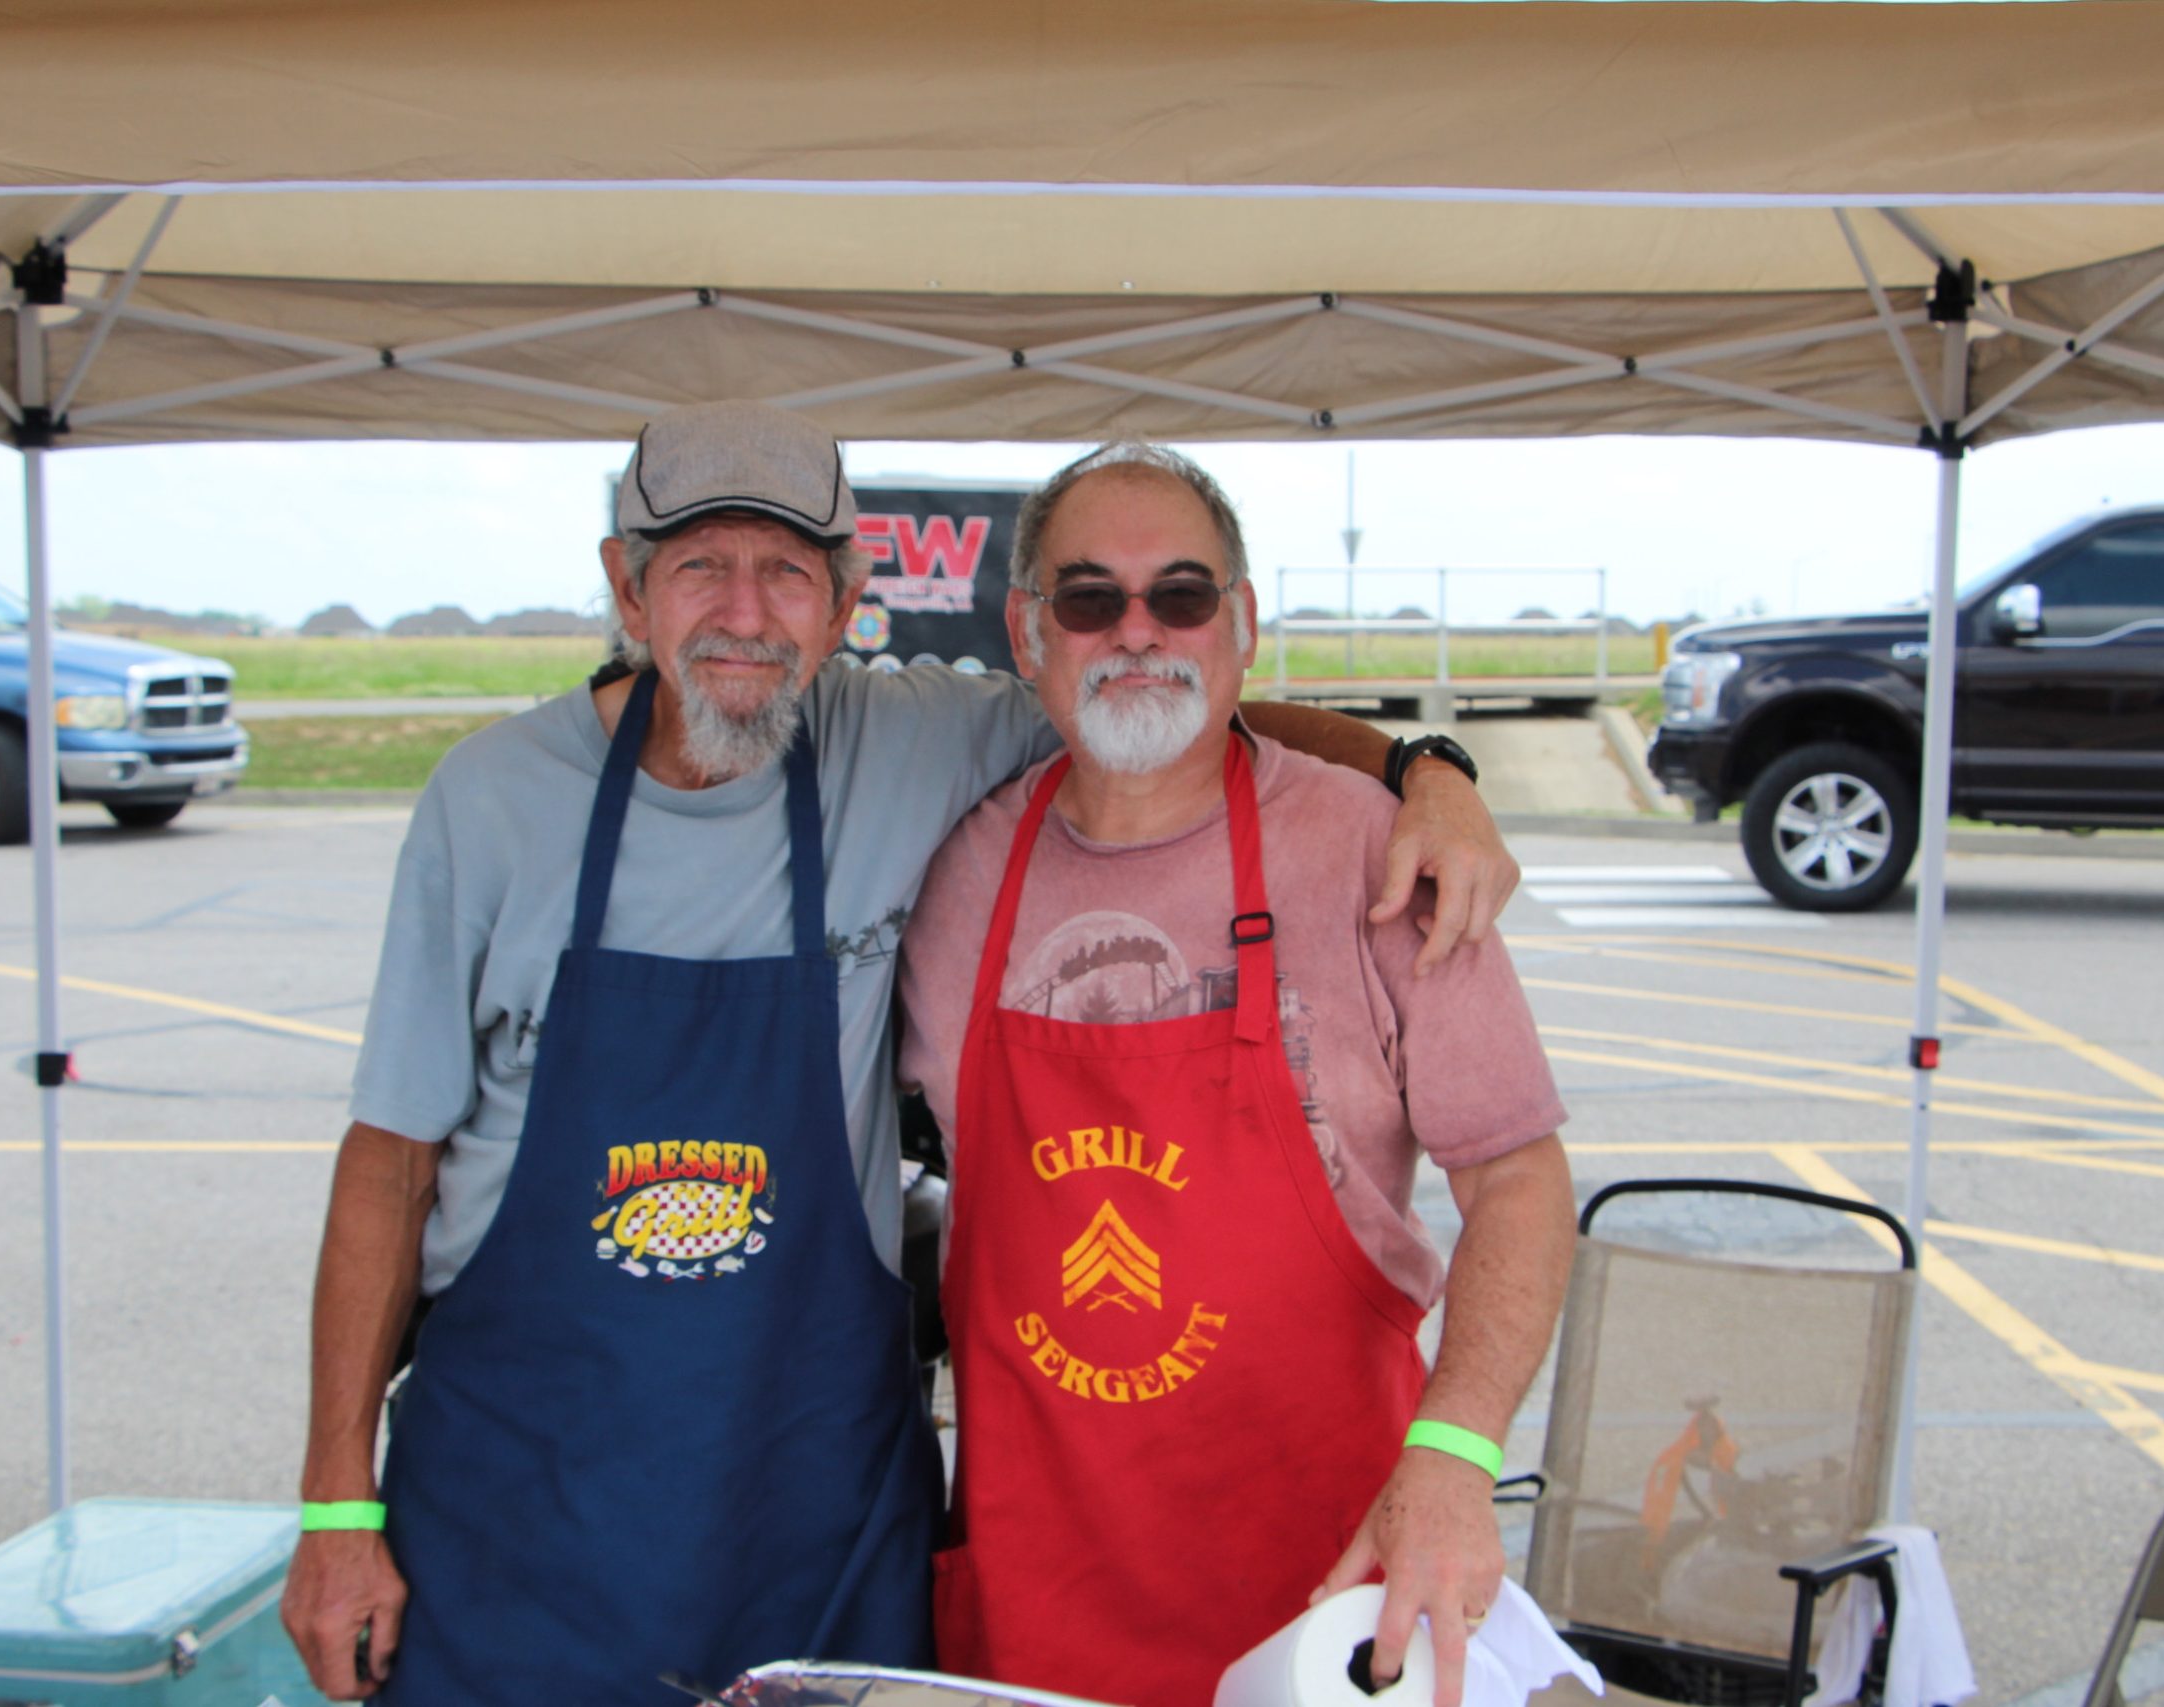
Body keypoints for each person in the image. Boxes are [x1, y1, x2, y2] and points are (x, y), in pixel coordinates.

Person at [280, 402, 1521, 1704]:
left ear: (845, 599)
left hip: (810, 1512)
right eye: (700, 566)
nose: (745, 614)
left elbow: (1173, 692)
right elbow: (389, 1161)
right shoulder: (487, 801)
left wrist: (1426, 770)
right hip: (522, 1508)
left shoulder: (913, 740)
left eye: (787, 571)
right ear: (627, 589)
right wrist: (332, 1505)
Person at [897, 443, 1576, 1707]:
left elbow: (1519, 1177)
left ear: (1243, 623)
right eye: (1089, 598)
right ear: (1028, 632)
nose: (1137, 631)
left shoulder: (1380, 854)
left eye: (1183, 595)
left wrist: (1456, 1452)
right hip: (1037, 1603)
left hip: (1322, 1600)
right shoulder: (955, 872)